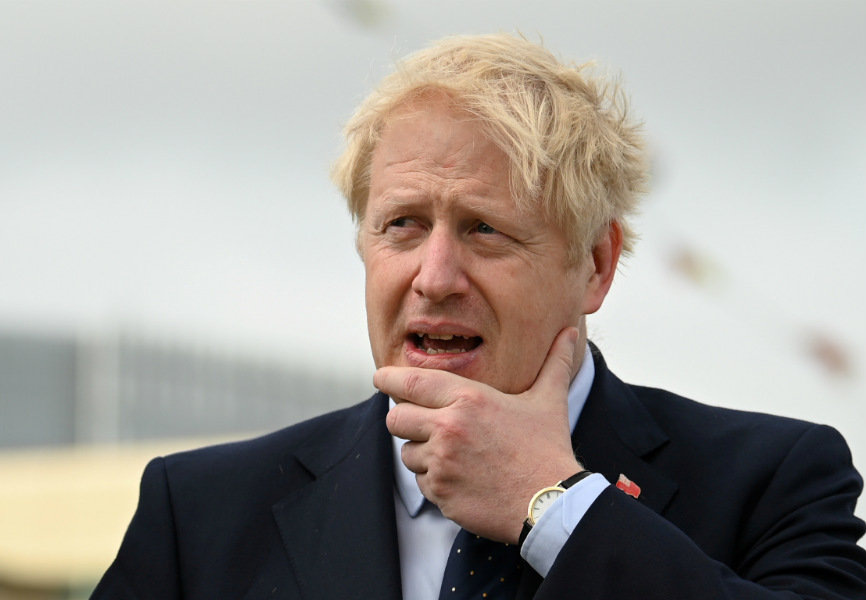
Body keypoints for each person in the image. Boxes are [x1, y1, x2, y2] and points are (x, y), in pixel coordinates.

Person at [91, 33, 866, 599]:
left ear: (595, 265)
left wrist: (553, 505)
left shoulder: (774, 482)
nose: (434, 277)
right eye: (401, 225)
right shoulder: (199, 514)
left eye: (483, 229)